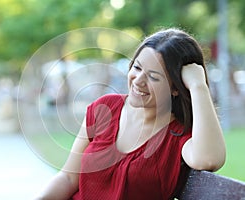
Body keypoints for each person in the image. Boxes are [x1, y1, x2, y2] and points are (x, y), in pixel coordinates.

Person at [36, 28, 226, 200]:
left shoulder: (178, 136)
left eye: (153, 76)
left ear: (176, 88)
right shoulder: (104, 108)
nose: (139, 81)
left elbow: (209, 159)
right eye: (137, 67)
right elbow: (69, 178)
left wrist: (198, 86)